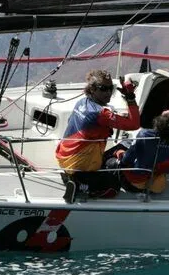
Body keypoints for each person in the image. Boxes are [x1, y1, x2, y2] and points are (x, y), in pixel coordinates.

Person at [56, 70, 139, 198]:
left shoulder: (81, 102)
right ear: (92, 89)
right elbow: (134, 125)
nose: (108, 92)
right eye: (103, 89)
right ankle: (80, 185)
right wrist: (130, 97)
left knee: (126, 144)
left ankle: (72, 176)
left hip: (65, 158)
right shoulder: (101, 114)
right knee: (114, 187)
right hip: (79, 165)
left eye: (111, 88)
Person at [114, 111, 169, 195]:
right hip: (157, 183)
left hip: (137, 181)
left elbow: (128, 158)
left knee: (116, 154)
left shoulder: (145, 134)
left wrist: (119, 154)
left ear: (158, 122)